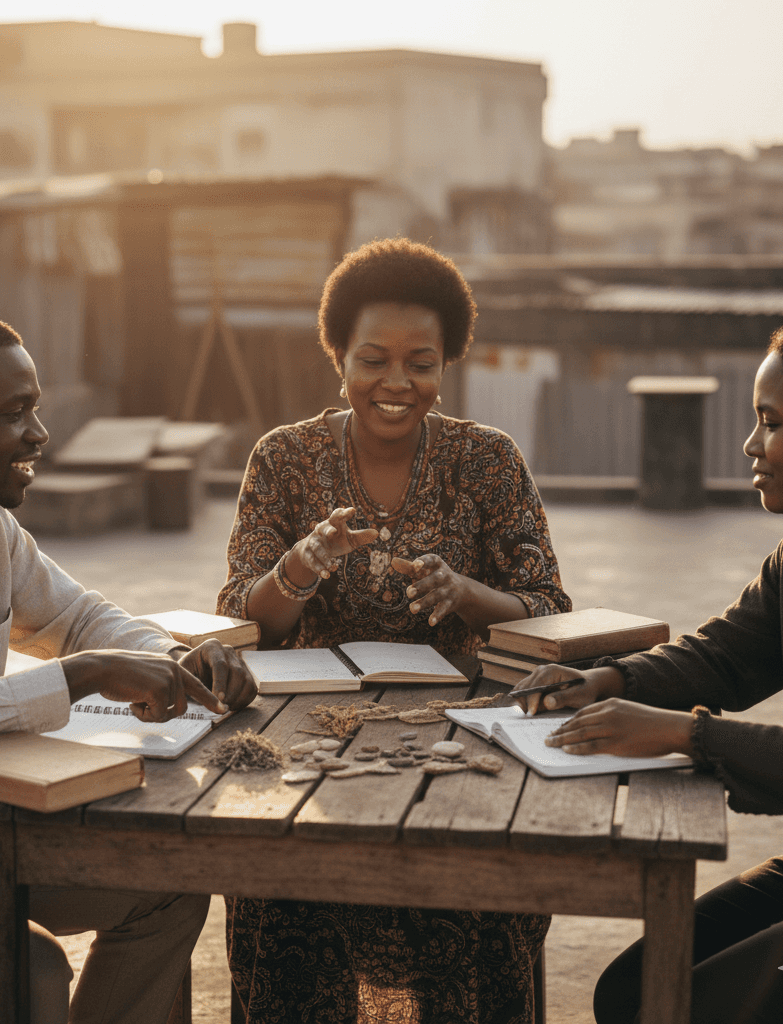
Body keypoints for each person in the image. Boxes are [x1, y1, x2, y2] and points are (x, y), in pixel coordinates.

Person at [0, 305, 257, 1024]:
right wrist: (80, 675)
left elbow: (81, 618)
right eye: (13, 413)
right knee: (28, 969)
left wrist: (176, 658)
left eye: (36, 408)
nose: (39, 434)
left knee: (168, 886)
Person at [217, 238, 572, 1023]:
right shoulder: (284, 458)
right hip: (306, 737)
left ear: (448, 365)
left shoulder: (488, 461)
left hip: (457, 738)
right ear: (337, 354)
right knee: (282, 896)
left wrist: (468, 593)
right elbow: (240, 617)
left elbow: (548, 607)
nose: (397, 382)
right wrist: (302, 564)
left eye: (422, 362)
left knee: (474, 898)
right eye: (373, 358)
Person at [512, 308, 783, 1024]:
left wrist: (684, 736)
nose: (749, 444)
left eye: (771, 422)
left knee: (689, 1007)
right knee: (629, 993)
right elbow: (728, 654)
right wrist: (610, 679)